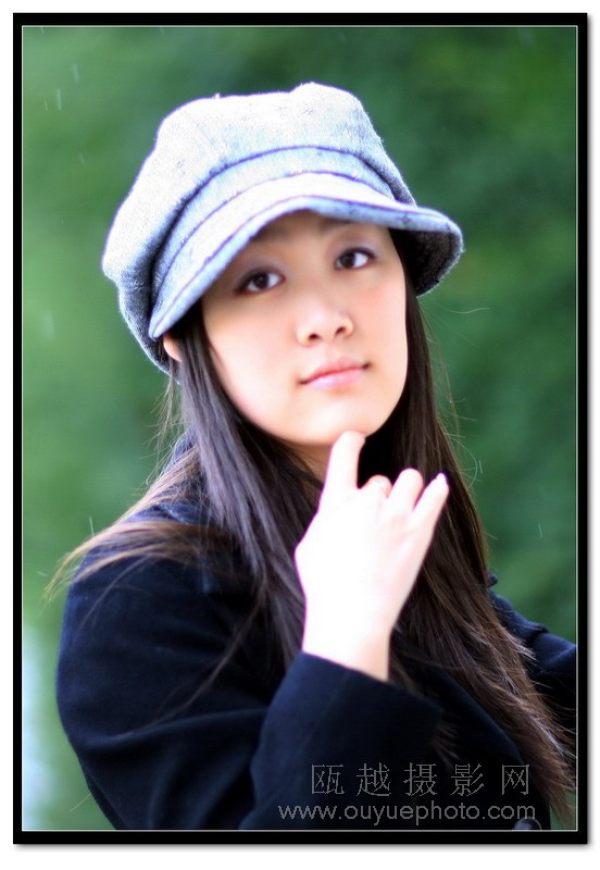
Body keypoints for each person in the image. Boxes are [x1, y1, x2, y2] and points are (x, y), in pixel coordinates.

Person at [54, 82, 575, 832]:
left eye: (354, 256)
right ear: (183, 336)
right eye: (259, 279)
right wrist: (345, 638)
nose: (326, 318)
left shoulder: (379, 523)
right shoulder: (140, 600)